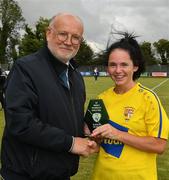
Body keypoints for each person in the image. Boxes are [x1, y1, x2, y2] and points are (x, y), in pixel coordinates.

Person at [0, 12, 98, 180]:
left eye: (76, 37)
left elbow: (58, 115)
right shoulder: (25, 68)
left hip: (61, 172)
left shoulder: (76, 76)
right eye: (63, 34)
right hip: (27, 174)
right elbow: (21, 123)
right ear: (48, 33)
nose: (68, 42)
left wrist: (83, 128)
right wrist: (72, 143)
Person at [91, 32, 169, 180]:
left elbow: (159, 145)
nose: (118, 70)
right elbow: (98, 144)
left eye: (124, 64)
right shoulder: (101, 98)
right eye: (112, 65)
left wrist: (117, 134)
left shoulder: (148, 98)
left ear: (135, 67)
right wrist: (92, 136)